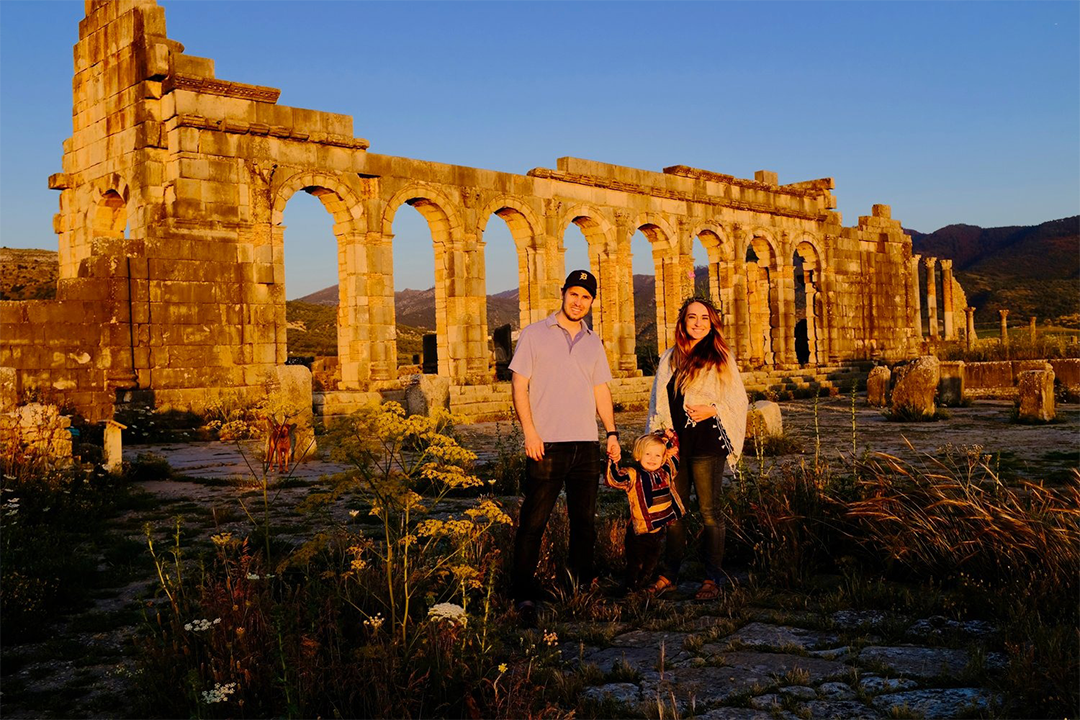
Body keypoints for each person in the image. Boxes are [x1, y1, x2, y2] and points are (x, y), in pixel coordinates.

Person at [509, 269, 622, 625]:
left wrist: (612, 433)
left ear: (592, 302)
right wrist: (530, 432)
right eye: (574, 294)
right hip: (547, 442)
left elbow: (600, 390)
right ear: (563, 293)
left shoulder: (593, 342)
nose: (578, 302)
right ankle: (522, 594)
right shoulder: (534, 334)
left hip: (585, 443)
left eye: (585, 297)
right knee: (534, 520)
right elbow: (518, 385)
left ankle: (578, 587)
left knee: (584, 521)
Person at [645, 297, 747, 600]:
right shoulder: (669, 358)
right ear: (683, 322)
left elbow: (737, 400)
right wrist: (658, 434)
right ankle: (670, 574)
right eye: (693, 317)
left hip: (707, 443)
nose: (698, 323)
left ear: (712, 322)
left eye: (705, 318)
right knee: (674, 512)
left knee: (709, 512)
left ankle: (712, 578)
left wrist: (713, 408)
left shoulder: (721, 357)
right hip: (676, 445)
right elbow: (658, 401)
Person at [605, 430, 685, 592]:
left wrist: (670, 439)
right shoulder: (633, 475)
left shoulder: (666, 472)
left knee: (651, 562)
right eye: (647, 454)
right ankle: (629, 588)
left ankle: (641, 587)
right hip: (639, 532)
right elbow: (614, 479)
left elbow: (675, 456)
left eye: (657, 456)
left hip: (658, 530)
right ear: (638, 456)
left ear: (663, 458)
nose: (652, 459)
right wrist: (613, 461)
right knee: (635, 562)